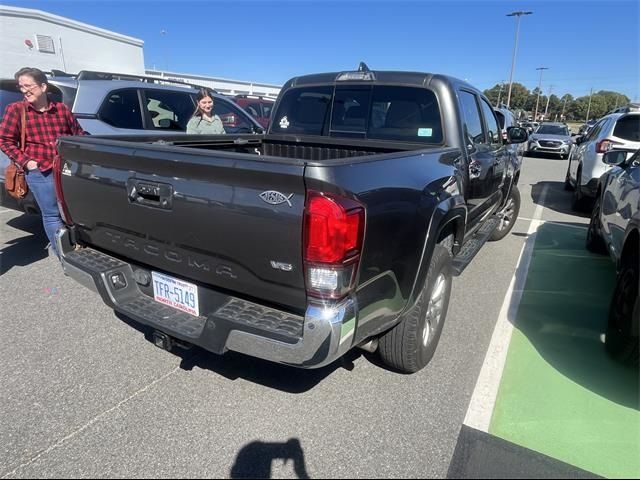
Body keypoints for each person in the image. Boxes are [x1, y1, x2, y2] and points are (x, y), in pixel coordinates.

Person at [0, 67, 86, 258]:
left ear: (43, 86)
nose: (24, 90)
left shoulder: (61, 110)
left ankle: (75, 245)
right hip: (40, 172)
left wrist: (95, 146)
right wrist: (27, 162)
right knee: (52, 214)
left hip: (65, 169)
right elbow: (4, 140)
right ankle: (64, 255)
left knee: (71, 212)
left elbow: (78, 135)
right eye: (21, 86)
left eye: (28, 85)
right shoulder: (16, 110)